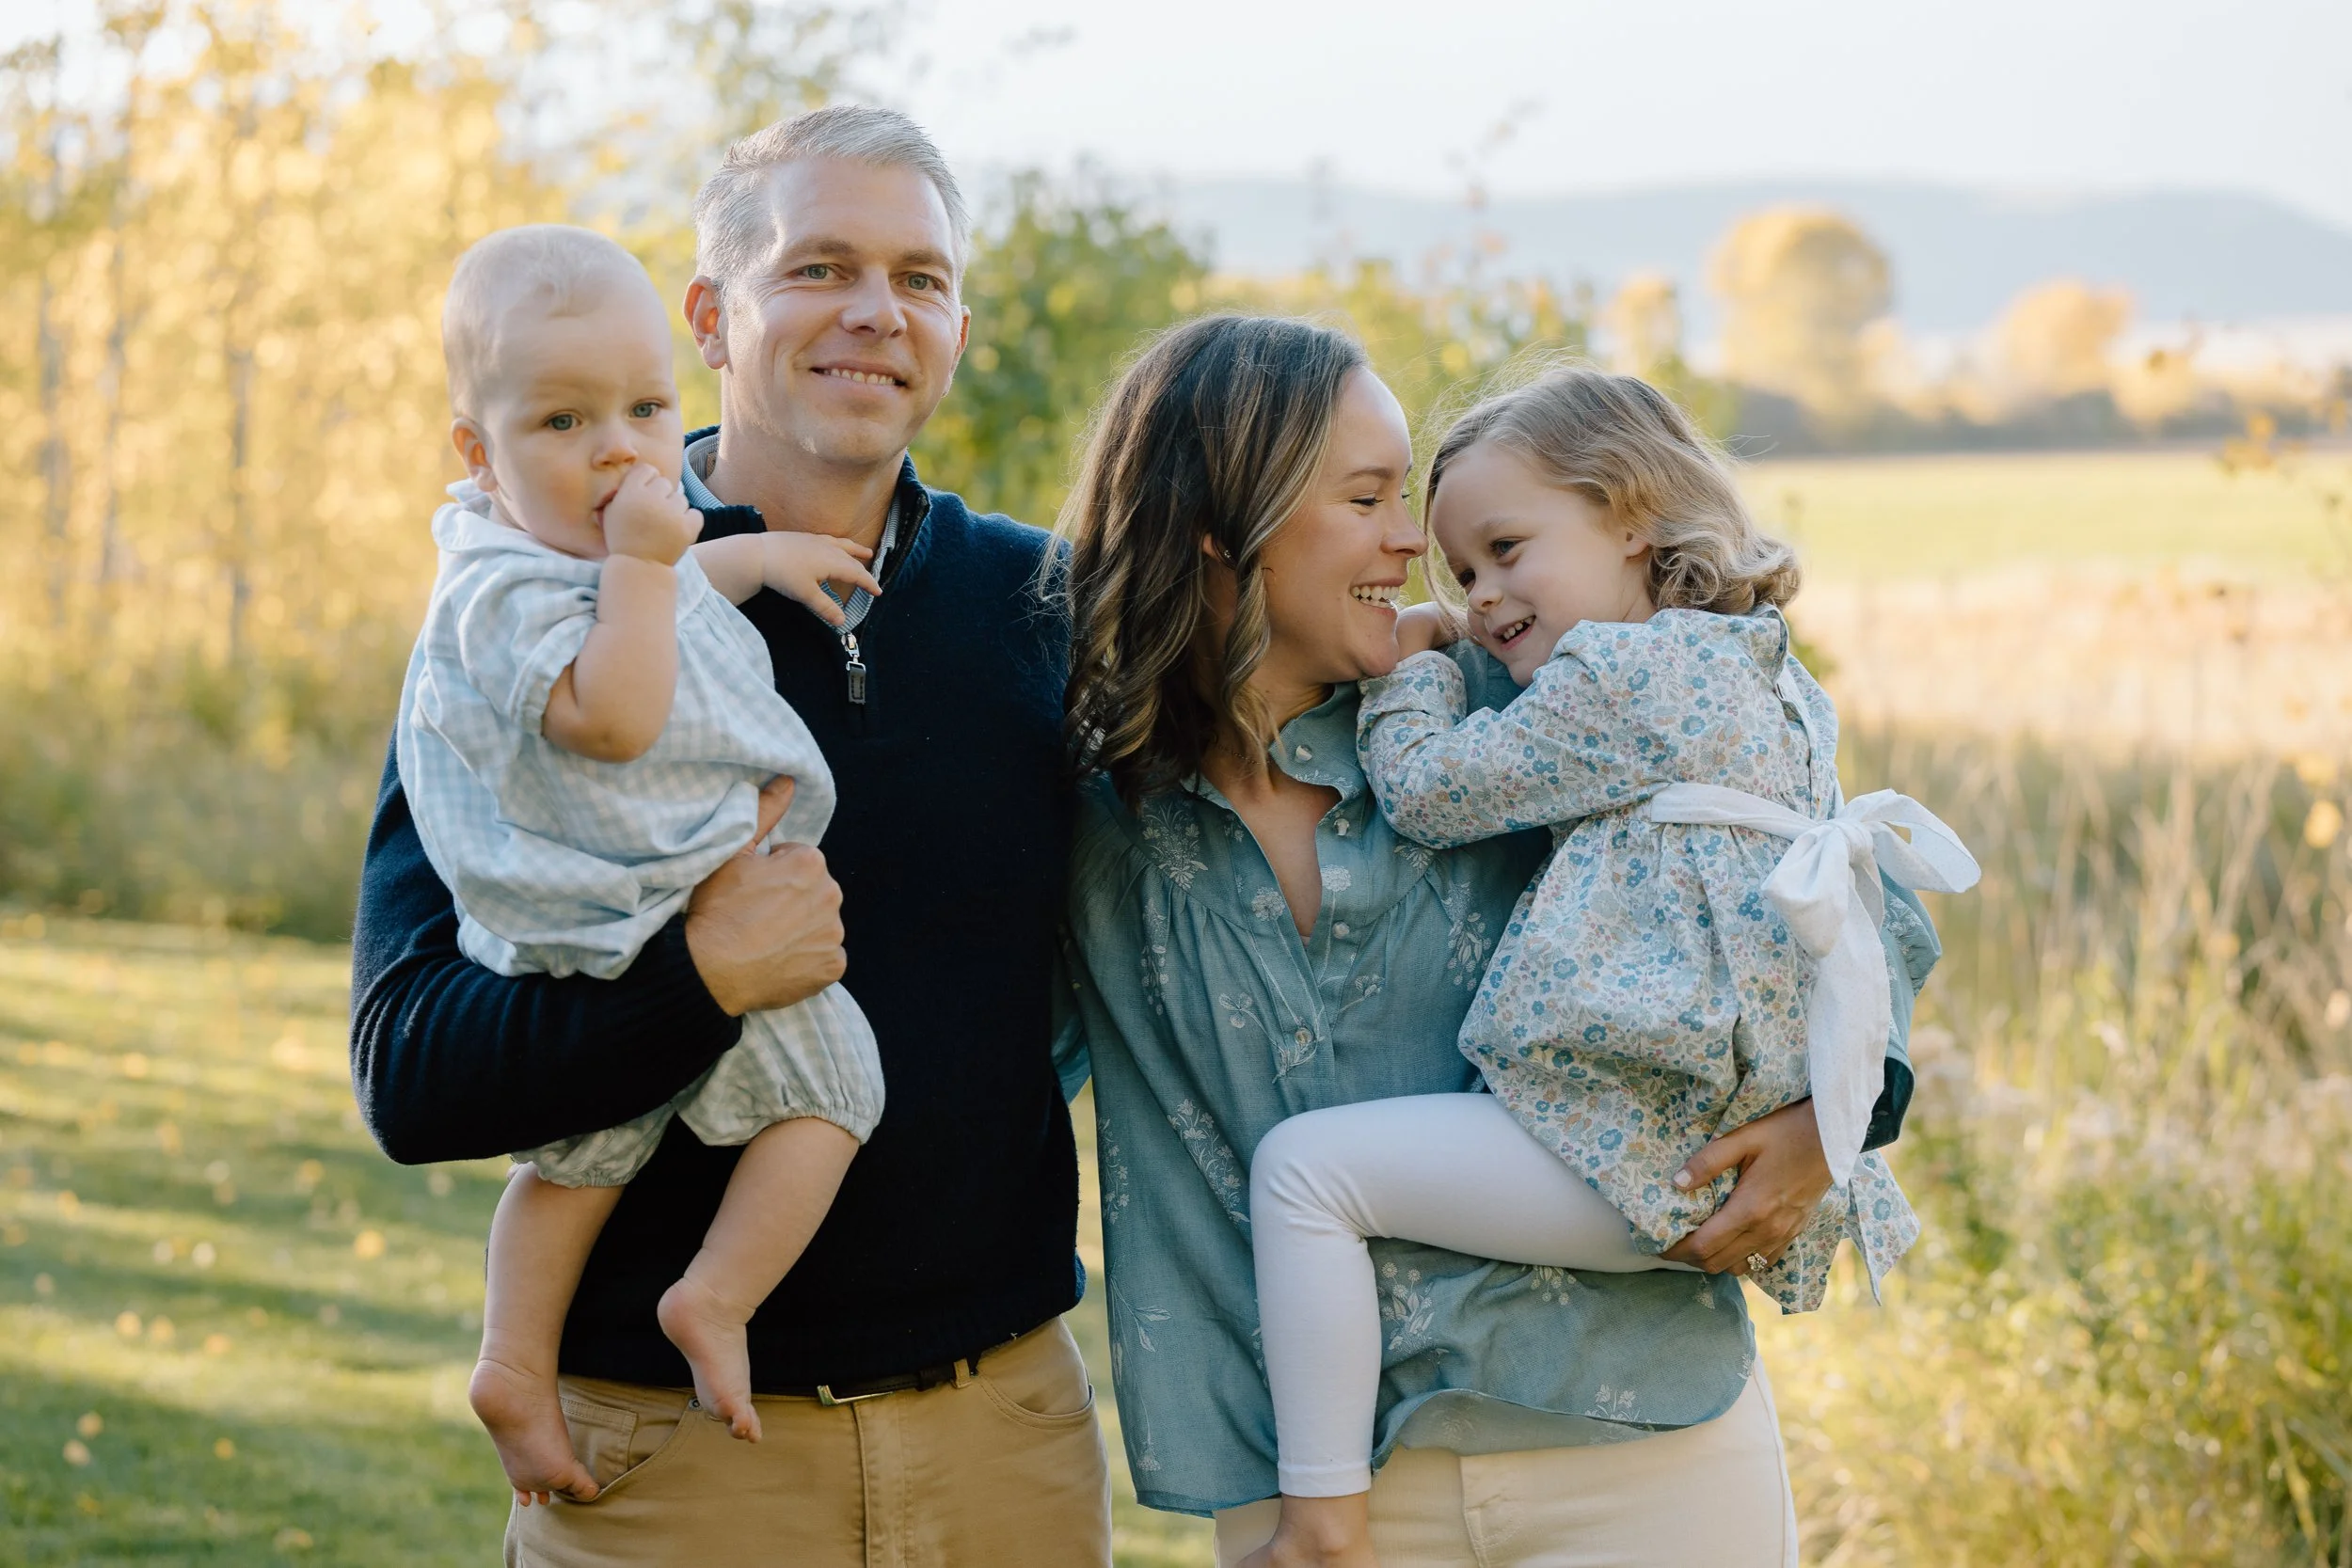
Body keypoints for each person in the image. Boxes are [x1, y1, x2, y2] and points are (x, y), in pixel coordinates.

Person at [1052, 317, 1942, 1568]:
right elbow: (977, 1076)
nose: (1415, 547)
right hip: (1318, 1486)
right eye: (1368, 498)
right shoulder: (1095, 812)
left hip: (1636, 1433)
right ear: (1219, 521)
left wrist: (1832, 1127)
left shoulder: (1521, 692)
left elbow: (1847, 893)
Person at [351, 108, 1110, 1565]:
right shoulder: (536, 621)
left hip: (1006, 1441)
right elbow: (411, 1072)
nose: (877, 313)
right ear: (712, 312)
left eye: (923, 278)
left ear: (955, 323)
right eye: (819, 265)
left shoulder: (1048, 614)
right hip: (670, 1462)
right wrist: (695, 981)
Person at [405, 224, 893, 1503]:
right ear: (479, 451)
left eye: (642, 406)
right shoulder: (499, 590)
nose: (619, 446)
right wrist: (644, 560)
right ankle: (709, 1298)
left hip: (647, 907)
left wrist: (753, 559)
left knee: (589, 1154)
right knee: (836, 1082)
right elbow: (613, 710)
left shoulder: (608, 553)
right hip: (614, 921)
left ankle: (515, 1360)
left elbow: (677, 596)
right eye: (563, 421)